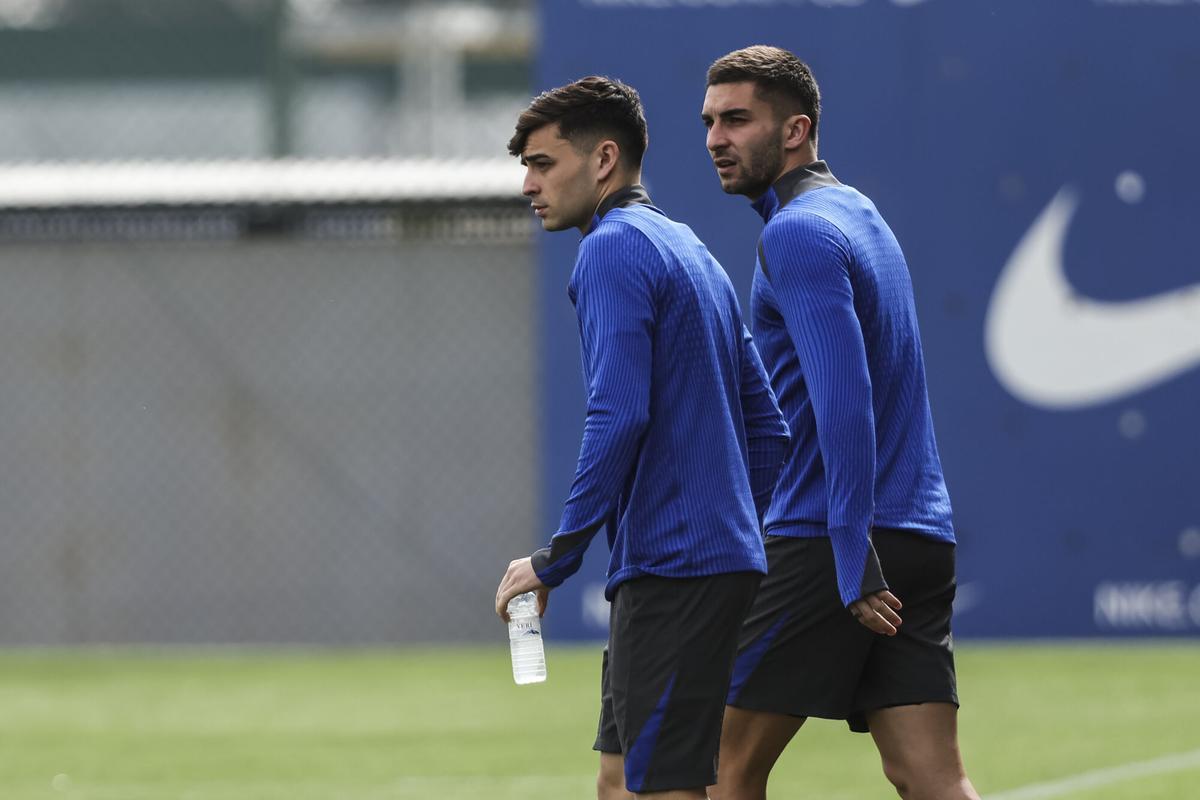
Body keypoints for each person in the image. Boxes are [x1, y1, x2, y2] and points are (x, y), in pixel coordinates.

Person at [494, 76, 790, 800]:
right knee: (619, 780)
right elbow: (772, 432)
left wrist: (555, 559)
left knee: (661, 789)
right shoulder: (687, 247)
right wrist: (732, 535)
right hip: (696, 565)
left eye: (541, 163)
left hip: (675, 570)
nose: (528, 184)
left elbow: (617, 415)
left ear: (602, 160)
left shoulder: (612, 250)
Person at [699, 46, 980, 800]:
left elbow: (844, 399)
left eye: (736, 120)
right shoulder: (860, 214)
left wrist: (849, 549)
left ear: (796, 130)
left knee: (718, 770)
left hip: (835, 540)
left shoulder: (796, 234)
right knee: (931, 776)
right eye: (709, 122)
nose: (715, 139)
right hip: (918, 537)